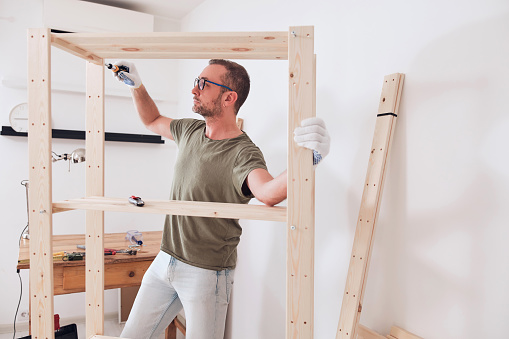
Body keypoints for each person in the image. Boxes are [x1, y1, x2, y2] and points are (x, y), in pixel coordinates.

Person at [112, 59, 330, 339]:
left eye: (203, 84)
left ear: (229, 97)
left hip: (206, 273)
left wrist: (309, 159)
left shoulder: (244, 152)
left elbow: (267, 193)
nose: (194, 90)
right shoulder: (189, 130)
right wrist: (137, 86)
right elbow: (152, 120)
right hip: (166, 259)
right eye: (196, 81)